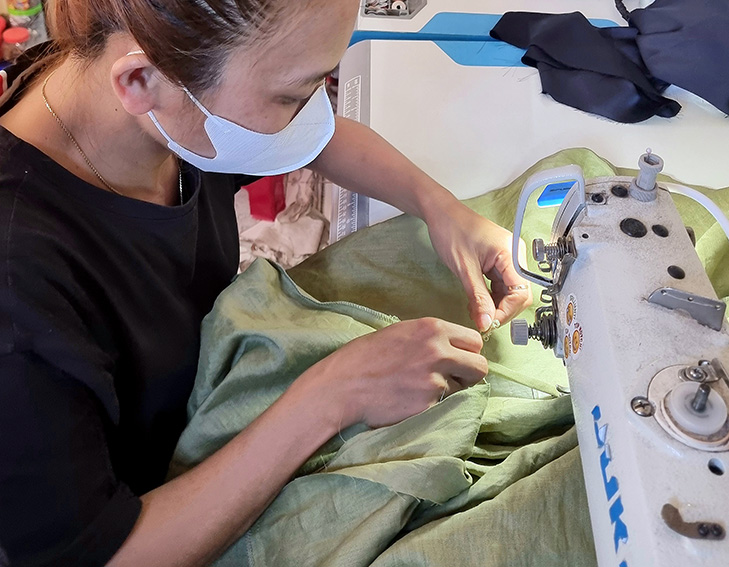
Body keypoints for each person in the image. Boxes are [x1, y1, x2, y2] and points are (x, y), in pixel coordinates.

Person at [0, 0, 531, 565]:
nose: (311, 111)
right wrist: (332, 396)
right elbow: (101, 555)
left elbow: (317, 139)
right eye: (292, 95)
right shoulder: (19, 298)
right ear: (139, 82)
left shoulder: (143, 88)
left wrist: (443, 210)